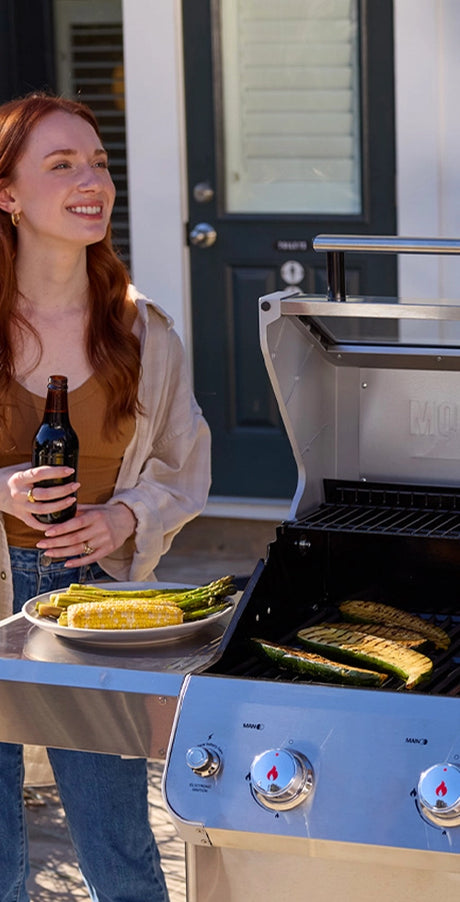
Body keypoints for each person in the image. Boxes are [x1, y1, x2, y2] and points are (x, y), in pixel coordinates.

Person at [0, 92, 211, 901]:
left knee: (121, 848)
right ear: (8, 195)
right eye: (61, 165)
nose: (92, 180)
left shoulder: (142, 329)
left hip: (96, 611)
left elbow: (185, 466)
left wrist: (124, 516)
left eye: (98, 162)